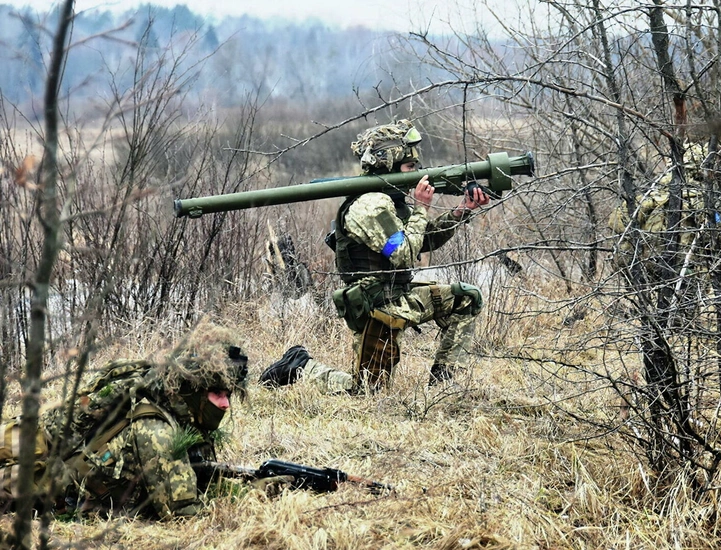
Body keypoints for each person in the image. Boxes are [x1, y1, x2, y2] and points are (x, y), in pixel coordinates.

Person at [261, 119, 489, 393]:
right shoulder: (369, 206)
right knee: (367, 392)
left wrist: (461, 210)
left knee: (466, 298)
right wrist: (421, 208)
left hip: (401, 296)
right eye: (409, 167)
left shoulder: (391, 198)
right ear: (388, 166)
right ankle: (301, 366)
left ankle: (442, 388)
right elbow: (404, 253)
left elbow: (423, 240)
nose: (416, 173)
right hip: (377, 307)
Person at [32, 322, 250, 519]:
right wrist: (248, 503)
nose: (225, 405)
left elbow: (197, 473)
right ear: (194, 392)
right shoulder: (157, 430)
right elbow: (183, 515)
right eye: (218, 394)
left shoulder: (184, 416)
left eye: (228, 395)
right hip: (55, 501)